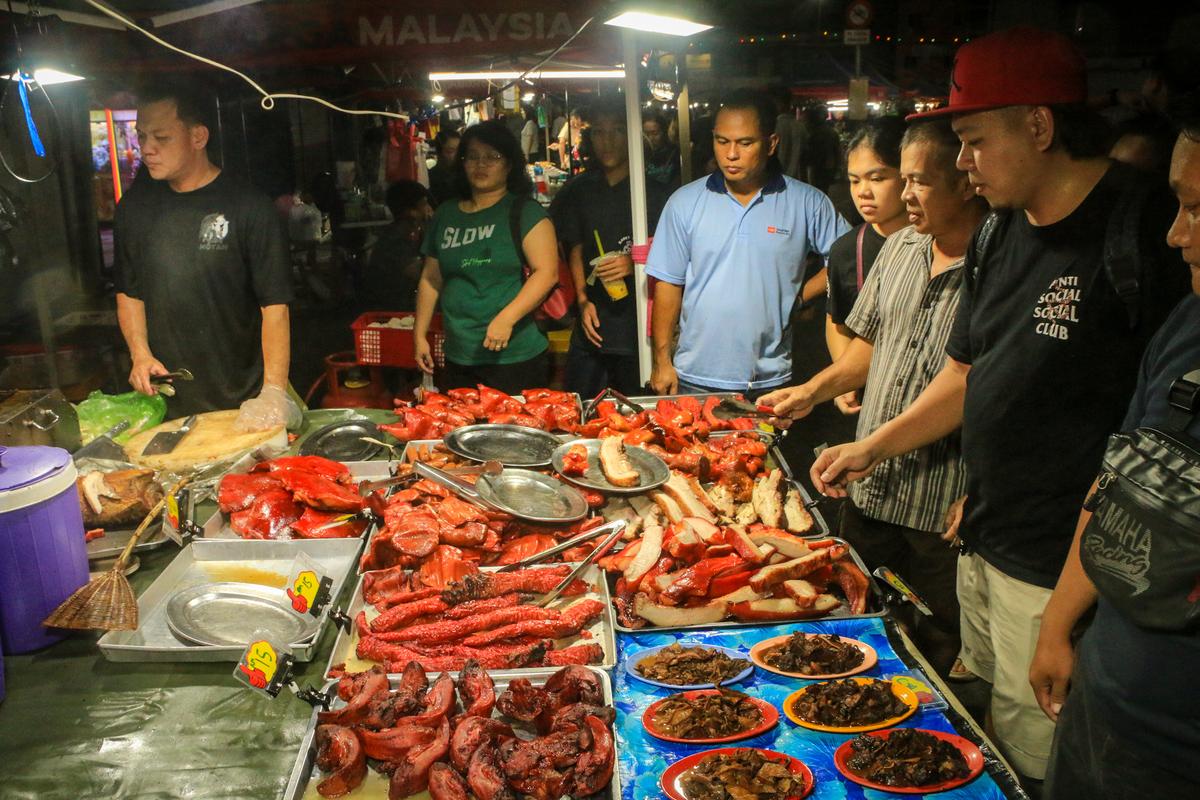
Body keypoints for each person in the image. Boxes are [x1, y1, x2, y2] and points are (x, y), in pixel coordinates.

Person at [808, 27, 1190, 784]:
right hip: (984, 535)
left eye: (975, 139)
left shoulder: (1141, 231)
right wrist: (872, 446)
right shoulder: (999, 235)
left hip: (1062, 566)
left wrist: (1066, 609)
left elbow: (1156, 438)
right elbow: (966, 374)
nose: (962, 163)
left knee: (1043, 751)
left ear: (1040, 125)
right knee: (987, 721)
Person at [763, 119, 988, 674]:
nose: (906, 195)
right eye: (903, 179)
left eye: (921, 182)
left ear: (965, 181)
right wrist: (812, 392)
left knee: (936, 644)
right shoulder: (900, 249)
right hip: (870, 493)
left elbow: (979, 386)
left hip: (940, 507)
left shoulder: (998, 264)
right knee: (857, 630)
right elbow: (867, 347)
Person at [1029, 110, 1200, 800]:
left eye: (1195, 209)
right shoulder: (1188, 322)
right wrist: (1059, 622)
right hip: (1106, 707)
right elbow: (1119, 477)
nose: (1174, 234)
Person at [114, 80, 296, 429]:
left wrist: (273, 391)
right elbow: (129, 290)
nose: (147, 149)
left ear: (198, 137)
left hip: (243, 399)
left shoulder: (248, 206)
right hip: (166, 398)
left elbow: (275, 305)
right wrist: (140, 354)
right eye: (141, 136)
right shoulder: (133, 209)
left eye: (161, 138)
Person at [646, 88, 848, 398]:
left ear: (771, 144)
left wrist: (801, 297)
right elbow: (668, 284)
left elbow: (847, 257)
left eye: (745, 143)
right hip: (694, 375)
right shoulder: (684, 203)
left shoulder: (807, 203)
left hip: (769, 379)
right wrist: (661, 361)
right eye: (722, 141)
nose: (731, 154)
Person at [413, 120, 559, 395]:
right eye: (473, 157)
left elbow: (547, 273)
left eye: (493, 157)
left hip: (514, 355)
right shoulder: (445, 214)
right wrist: (419, 334)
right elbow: (431, 278)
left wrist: (507, 318)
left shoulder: (526, 213)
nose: (481, 165)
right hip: (459, 354)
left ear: (510, 164)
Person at [560, 97, 669, 397]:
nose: (607, 141)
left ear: (633, 135)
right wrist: (582, 300)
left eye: (617, 130)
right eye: (599, 132)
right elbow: (576, 247)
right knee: (580, 408)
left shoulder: (655, 194)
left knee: (638, 413)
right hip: (592, 323)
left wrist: (633, 264)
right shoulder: (579, 191)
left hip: (639, 326)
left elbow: (676, 256)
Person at [824, 118, 909, 417]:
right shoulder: (847, 250)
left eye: (877, 178)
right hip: (872, 403)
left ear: (908, 174)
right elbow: (838, 322)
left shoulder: (938, 242)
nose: (863, 192)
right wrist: (844, 378)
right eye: (854, 180)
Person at [363, 180, 433, 311]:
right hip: (390, 309)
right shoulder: (397, 235)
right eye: (424, 203)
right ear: (411, 211)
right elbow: (416, 271)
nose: (429, 208)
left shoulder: (416, 229)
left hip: (402, 302)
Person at [643, 112, 681, 190]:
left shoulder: (675, 153)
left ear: (664, 132)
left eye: (655, 133)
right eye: (646, 134)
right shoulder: (639, 155)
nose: (650, 138)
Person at [427, 129, 461, 208]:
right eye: (451, 151)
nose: (457, 155)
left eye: (460, 150)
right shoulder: (431, 178)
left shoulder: (464, 175)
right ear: (439, 152)